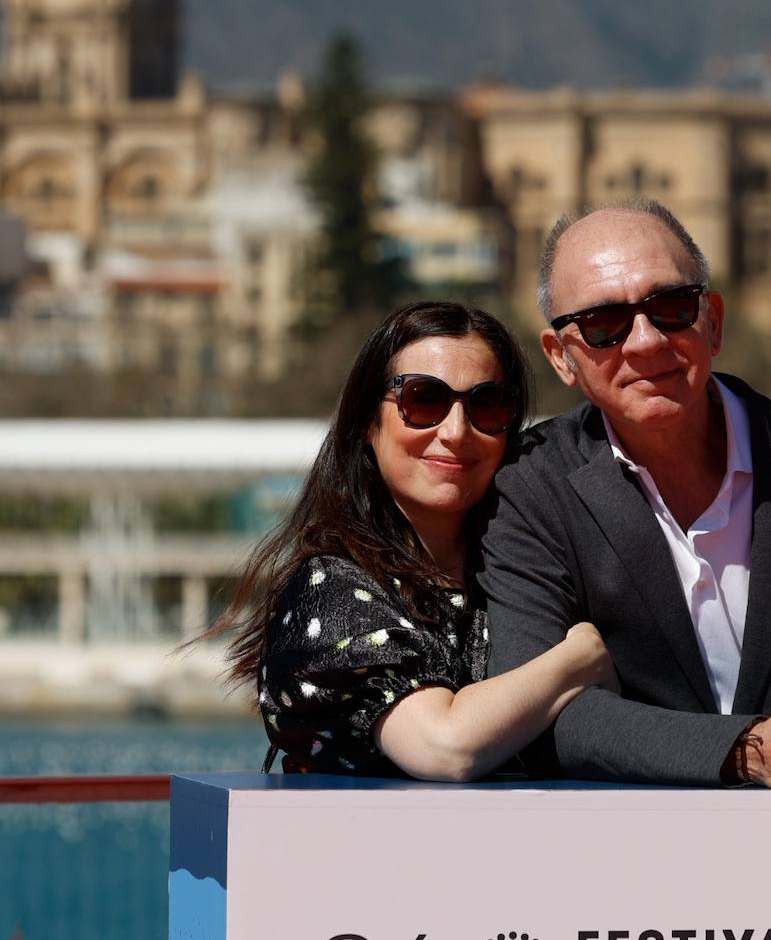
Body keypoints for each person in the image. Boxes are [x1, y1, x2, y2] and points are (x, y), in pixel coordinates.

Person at [481, 202, 771, 792]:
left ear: (711, 320)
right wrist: (745, 752)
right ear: (562, 356)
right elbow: (536, 715)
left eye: (669, 308)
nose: (643, 342)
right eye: (603, 324)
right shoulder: (530, 485)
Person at [222, 301, 616, 781]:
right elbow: (447, 747)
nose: (455, 432)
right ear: (368, 422)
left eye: (486, 405)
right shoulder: (330, 590)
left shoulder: (531, 573)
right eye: (424, 400)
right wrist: (581, 658)